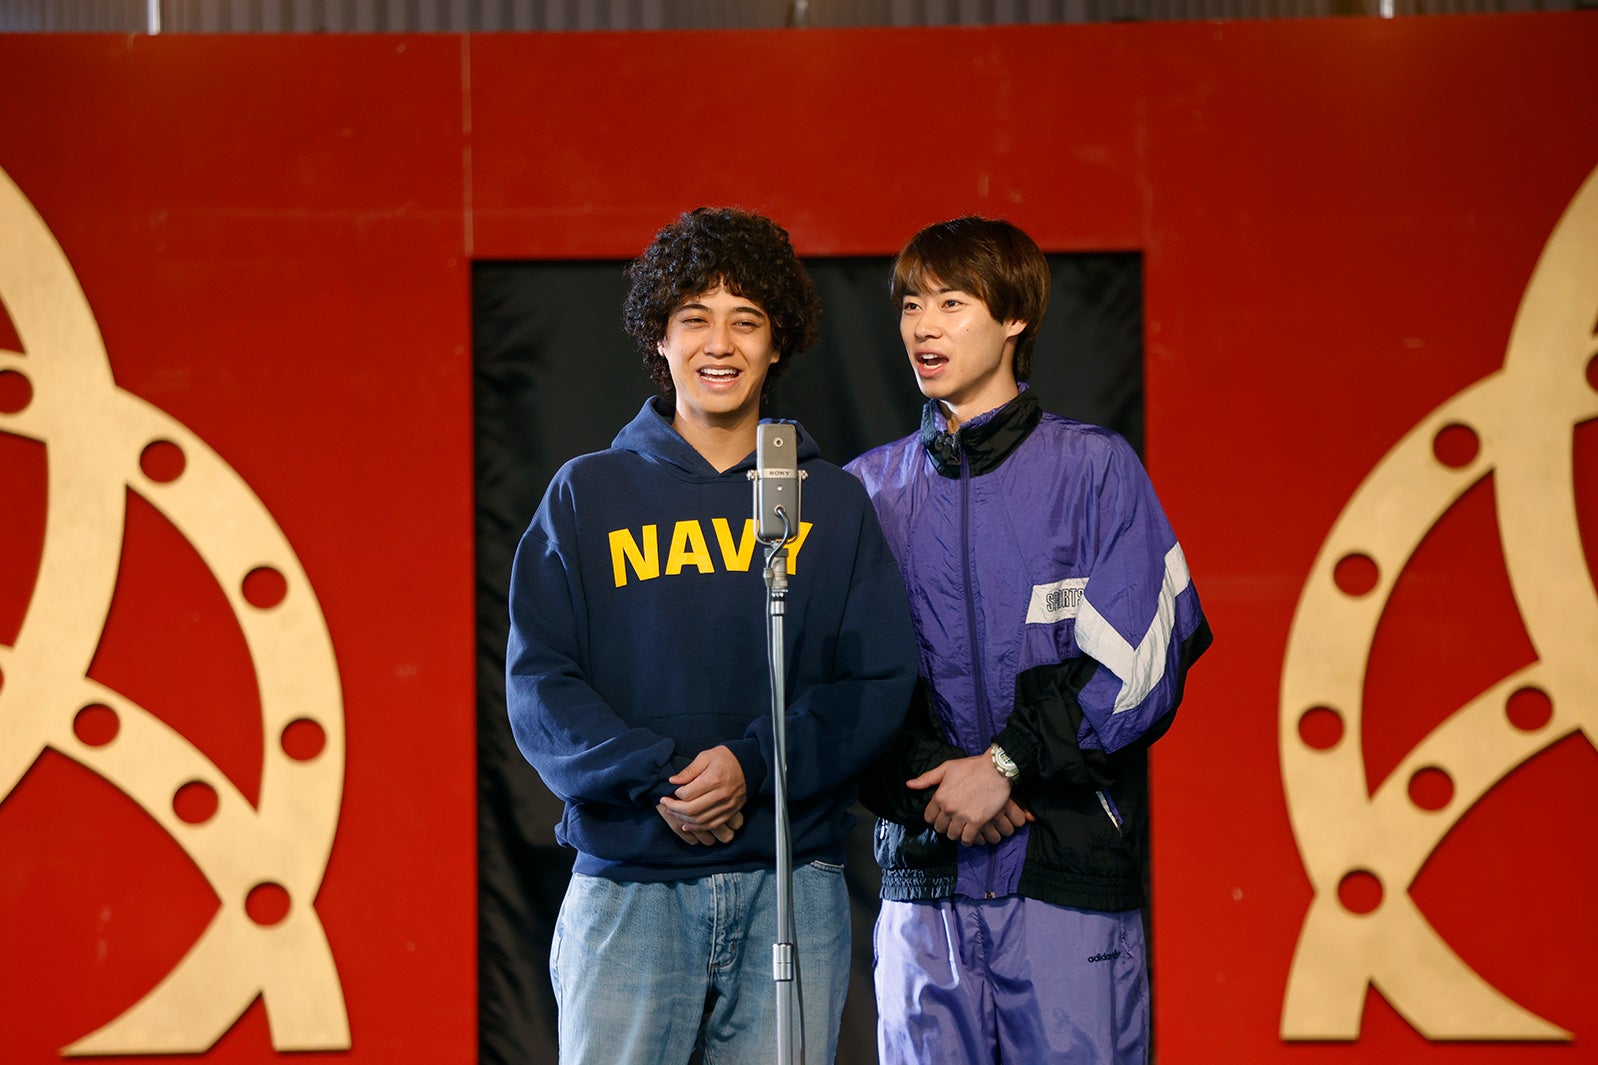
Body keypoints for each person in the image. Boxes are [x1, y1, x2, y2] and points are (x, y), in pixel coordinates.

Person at [504, 206, 918, 1065]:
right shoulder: (586, 495)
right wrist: (661, 775)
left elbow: (875, 680)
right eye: (694, 317)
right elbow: (541, 684)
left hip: (789, 881)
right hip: (629, 883)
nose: (718, 344)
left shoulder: (831, 502)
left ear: (778, 341)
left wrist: (753, 765)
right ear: (659, 336)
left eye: (746, 320)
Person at [847, 216, 1214, 1064]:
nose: (924, 326)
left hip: (1066, 880)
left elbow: (1144, 660)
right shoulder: (867, 490)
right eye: (911, 304)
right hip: (924, 888)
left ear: (1015, 316)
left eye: (951, 302)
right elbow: (840, 684)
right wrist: (943, 786)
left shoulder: (1095, 470)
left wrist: (1007, 762)